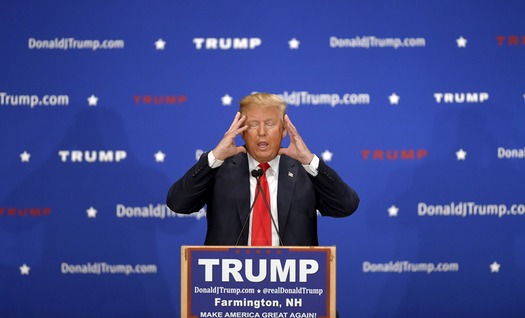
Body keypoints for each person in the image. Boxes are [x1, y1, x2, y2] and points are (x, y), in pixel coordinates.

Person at [166, 92, 359, 246]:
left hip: (292, 287)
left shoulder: (305, 171)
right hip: (228, 287)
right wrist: (215, 156)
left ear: (283, 130)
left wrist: (309, 160)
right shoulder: (219, 168)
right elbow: (178, 204)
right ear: (241, 132)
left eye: (270, 123)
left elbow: (346, 206)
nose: (262, 132)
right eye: (252, 125)